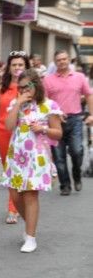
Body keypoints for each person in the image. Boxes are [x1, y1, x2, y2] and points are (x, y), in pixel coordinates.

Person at [1, 69, 62, 252]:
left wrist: (42, 129)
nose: (24, 91)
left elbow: (58, 133)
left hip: (37, 157)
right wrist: (17, 104)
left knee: (30, 195)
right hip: (16, 156)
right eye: (20, 88)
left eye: (27, 87)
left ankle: (31, 237)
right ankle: (30, 227)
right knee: (15, 195)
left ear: (36, 85)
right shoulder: (16, 103)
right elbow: (9, 126)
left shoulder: (48, 105)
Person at [0, 50, 30, 224]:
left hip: (25, 134)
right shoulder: (2, 87)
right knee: (9, 171)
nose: (17, 68)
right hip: (4, 133)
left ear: (26, 67)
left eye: (20, 65)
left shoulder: (30, 86)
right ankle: (14, 206)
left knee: (22, 171)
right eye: (14, 65)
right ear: (9, 67)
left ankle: (18, 205)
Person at [43, 50, 93, 195]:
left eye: (64, 59)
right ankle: (65, 185)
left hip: (75, 119)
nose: (62, 62)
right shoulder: (48, 80)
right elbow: (43, 101)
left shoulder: (79, 77)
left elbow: (89, 95)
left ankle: (77, 175)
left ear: (69, 60)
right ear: (55, 62)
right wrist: (52, 115)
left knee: (77, 151)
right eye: (59, 60)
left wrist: (91, 115)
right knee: (58, 157)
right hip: (55, 122)